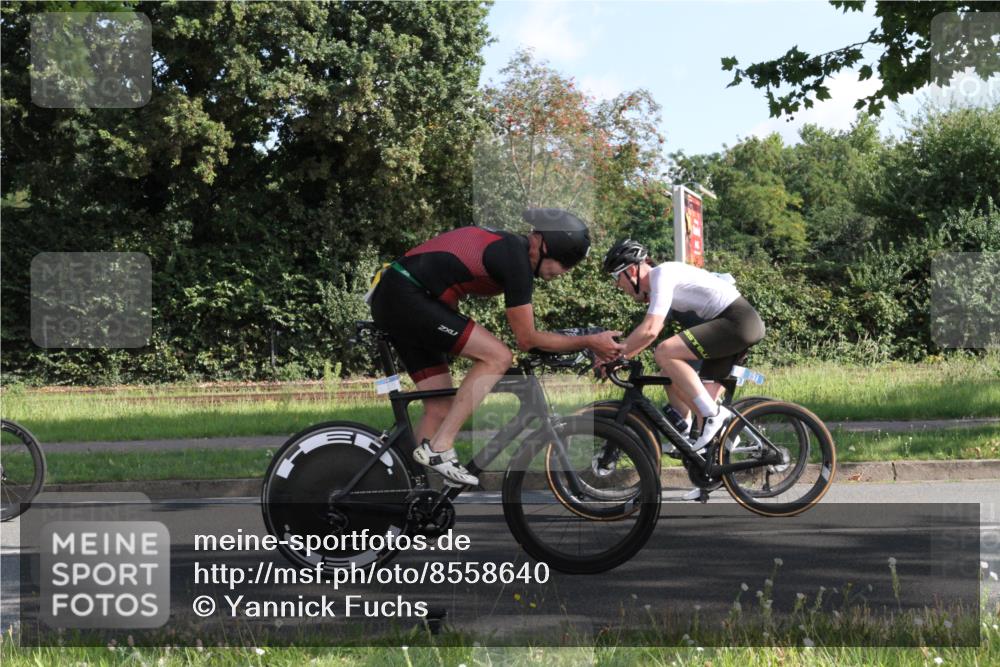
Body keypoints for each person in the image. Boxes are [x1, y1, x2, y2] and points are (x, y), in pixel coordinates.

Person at [369, 209, 624, 486]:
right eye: (564, 265)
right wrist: (588, 341)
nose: (562, 274)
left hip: (404, 297)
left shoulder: (512, 250)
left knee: (440, 409)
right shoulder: (515, 257)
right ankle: (440, 447)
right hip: (407, 296)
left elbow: (531, 337)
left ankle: (400, 488)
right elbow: (526, 339)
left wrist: (583, 343)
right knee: (497, 356)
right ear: (546, 246)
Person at [600, 238, 765, 474]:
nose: (618, 286)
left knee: (666, 353)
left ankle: (713, 415)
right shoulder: (660, 283)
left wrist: (614, 356)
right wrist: (620, 357)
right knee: (680, 385)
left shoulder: (662, 275)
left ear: (632, 270)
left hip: (738, 321)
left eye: (617, 278)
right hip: (729, 325)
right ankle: (709, 474)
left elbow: (650, 331)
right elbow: (646, 334)